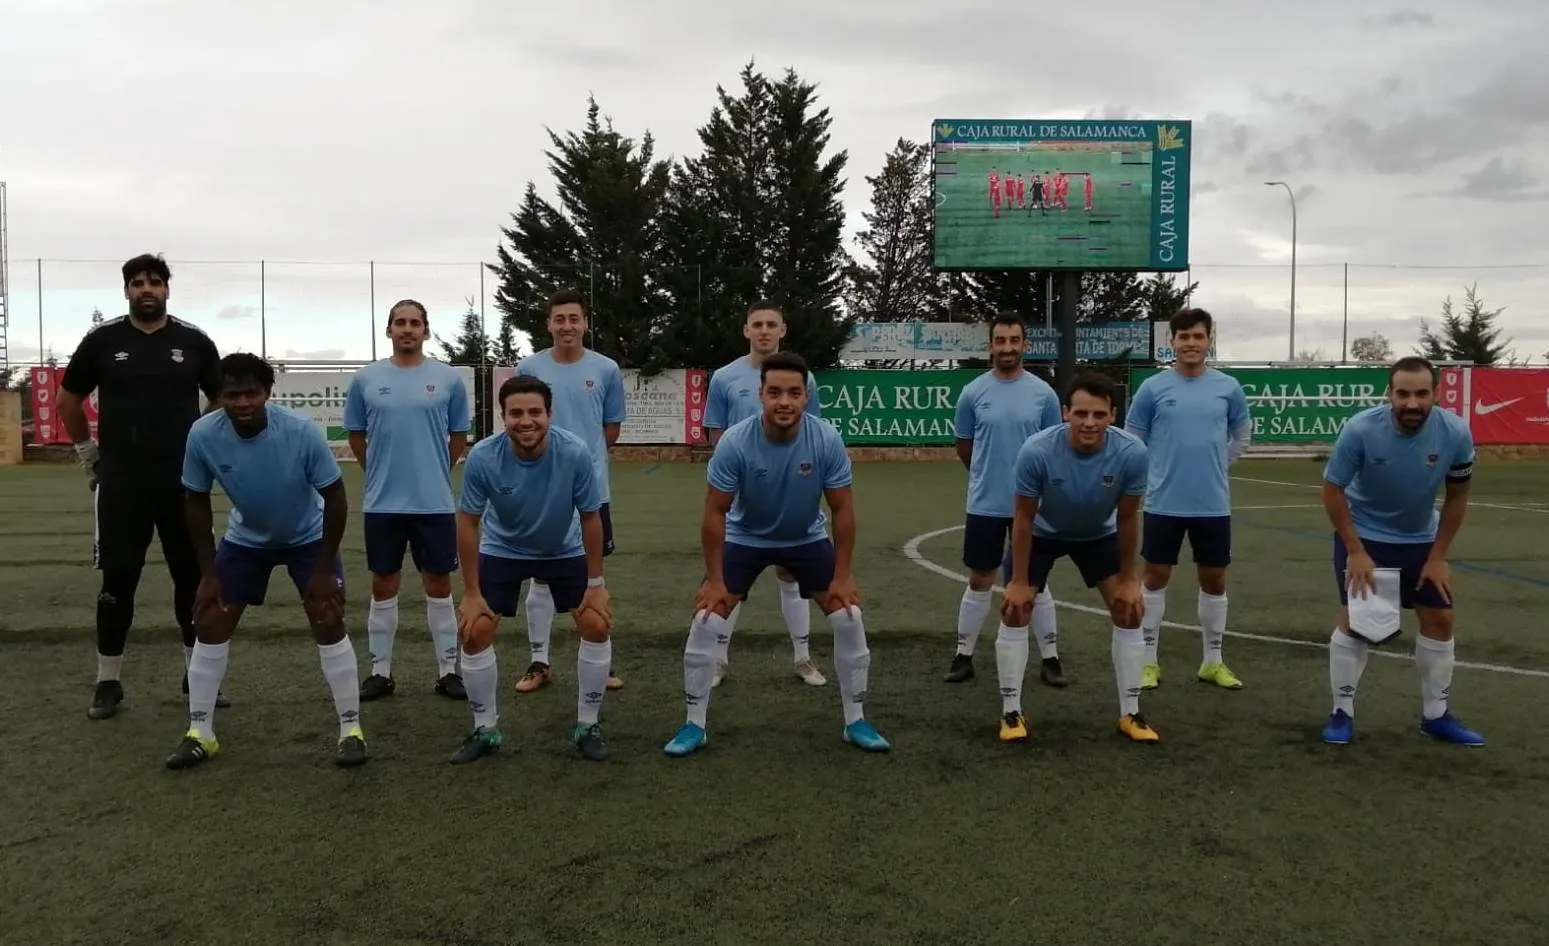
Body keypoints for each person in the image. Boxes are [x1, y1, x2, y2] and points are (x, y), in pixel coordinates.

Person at [664, 351, 890, 758]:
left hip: (805, 539)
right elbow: (714, 513)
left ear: (806, 396)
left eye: (793, 392)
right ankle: (693, 725)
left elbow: (842, 510)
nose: (784, 401)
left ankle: (855, 720)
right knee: (704, 619)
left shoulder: (826, 439)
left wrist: (843, 575)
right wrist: (715, 581)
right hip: (745, 537)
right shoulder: (735, 441)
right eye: (774, 392)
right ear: (761, 395)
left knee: (849, 617)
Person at [166, 354, 365, 770]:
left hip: (307, 538)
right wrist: (208, 573)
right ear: (217, 396)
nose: (242, 403)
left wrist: (325, 569)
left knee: (328, 618)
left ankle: (351, 730)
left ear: (268, 393)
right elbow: (196, 500)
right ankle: (200, 731)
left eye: (251, 393)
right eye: (232, 394)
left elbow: (335, 496)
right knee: (209, 618)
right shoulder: (202, 434)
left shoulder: (300, 431)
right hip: (246, 540)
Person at [56, 253, 229, 720]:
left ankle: (197, 678)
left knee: (192, 580)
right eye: (137, 283)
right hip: (122, 485)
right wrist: (88, 454)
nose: (146, 289)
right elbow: (68, 401)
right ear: (126, 291)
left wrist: (200, 442)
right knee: (118, 583)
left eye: (155, 282)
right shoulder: (102, 340)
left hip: (183, 485)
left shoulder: (193, 342)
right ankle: (107, 682)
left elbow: (221, 397)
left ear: (168, 290)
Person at [449, 374, 615, 764]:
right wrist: (471, 593)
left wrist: (596, 584)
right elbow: (468, 523)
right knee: (475, 631)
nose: (526, 421)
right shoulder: (484, 458)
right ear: (502, 416)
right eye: (516, 413)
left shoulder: (573, 452)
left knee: (596, 623)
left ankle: (587, 725)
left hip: (562, 548)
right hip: (504, 548)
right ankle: (485, 729)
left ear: (549, 414)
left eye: (535, 412)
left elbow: (591, 518)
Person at [1319, 356, 1483, 747]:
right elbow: (1332, 490)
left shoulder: (1456, 433)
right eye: (1403, 394)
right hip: (1366, 536)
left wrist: (1439, 555)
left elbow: (1458, 496)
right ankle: (1342, 712)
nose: (1413, 403)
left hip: (1421, 539)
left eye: (1422, 393)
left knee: (1440, 618)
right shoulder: (1360, 429)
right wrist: (1356, 551)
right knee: (1359, 622)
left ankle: (1436, 716)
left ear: (1436, 394)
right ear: (1389, 394)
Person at [999, 374, 1158, 743]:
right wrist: (1020, 581)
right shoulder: (1036, 451)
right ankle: (1010, 712)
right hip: (1041, 533)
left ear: (1113, 415)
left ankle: (1131, 713)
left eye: (1099, 414)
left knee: (1128, 609)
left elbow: (1128, 517)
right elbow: (1022, 517)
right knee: (1015, 609)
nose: (1089, 422)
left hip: (1097, 534)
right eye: (1081, 413)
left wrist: (1130, 578)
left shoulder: (1132, 452)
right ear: (1065, 413)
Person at [344, 300, 472, 702]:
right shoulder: (366, 379)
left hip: (433, 501)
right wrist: (382, 471)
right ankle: (380, 672)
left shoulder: (448, 379)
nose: (407, 329)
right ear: (389, 330)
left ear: (426, 331)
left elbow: (457, 438)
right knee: (383, 584)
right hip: (382, 503)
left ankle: (448, 670)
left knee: (439, 583)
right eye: (400, 322)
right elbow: (357, 436)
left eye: (415, 323)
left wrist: (434, 470)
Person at [1123, 307, 1252, 691]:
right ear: (1172, 342)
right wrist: (1153, 475)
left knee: (1214, 579)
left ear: (1209, 340)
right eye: (1184, 337)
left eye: (1198, 336)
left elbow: (1241, 435)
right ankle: (1148, 661)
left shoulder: (1228, 387)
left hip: (1212, 503)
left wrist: (1217, 464)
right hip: (1164, 501)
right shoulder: (1153, 388)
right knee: (1156, 576)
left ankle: (1213, 661)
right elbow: (1133, 440)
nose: (1191, 343)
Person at [702, 299, 827, 689]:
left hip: (792, 491)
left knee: (791, 573)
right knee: (728, 578)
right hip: (742, 492)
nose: (764, 331)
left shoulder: (803, 379)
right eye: (757, 324)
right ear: (746, 330)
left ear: (783, 329)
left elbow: (814, 434)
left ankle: (803, 657)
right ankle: (718, 659)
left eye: (772, 324)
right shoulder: (724, 378)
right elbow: (716, 434)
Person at [511, 289, 625, 695]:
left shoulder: (606, 369)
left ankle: (599, 659)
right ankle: (539, 661)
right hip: (542, 491)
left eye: (574, 319)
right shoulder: (530, 366)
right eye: (559, 319)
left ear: (585, 323)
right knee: (540, 579)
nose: (567, 327)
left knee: (593, 576)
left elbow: (610, 429)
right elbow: (521, 423)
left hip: (591, 491)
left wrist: (582, 466)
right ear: (548, 324)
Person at [946, 313, 1066, 687]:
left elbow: (1053, 448)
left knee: (1034, 582)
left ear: (1024, 345)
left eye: (1015, 340)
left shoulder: (1044, 394)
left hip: (1032, 507)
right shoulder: (973, 392)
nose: (1008, 347)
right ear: (991, 346)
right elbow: (965, 447)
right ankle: (963, 655)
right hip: (985, 504)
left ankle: (1051, 658)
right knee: (980, 577)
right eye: (1001, 340)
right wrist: (988, 476)